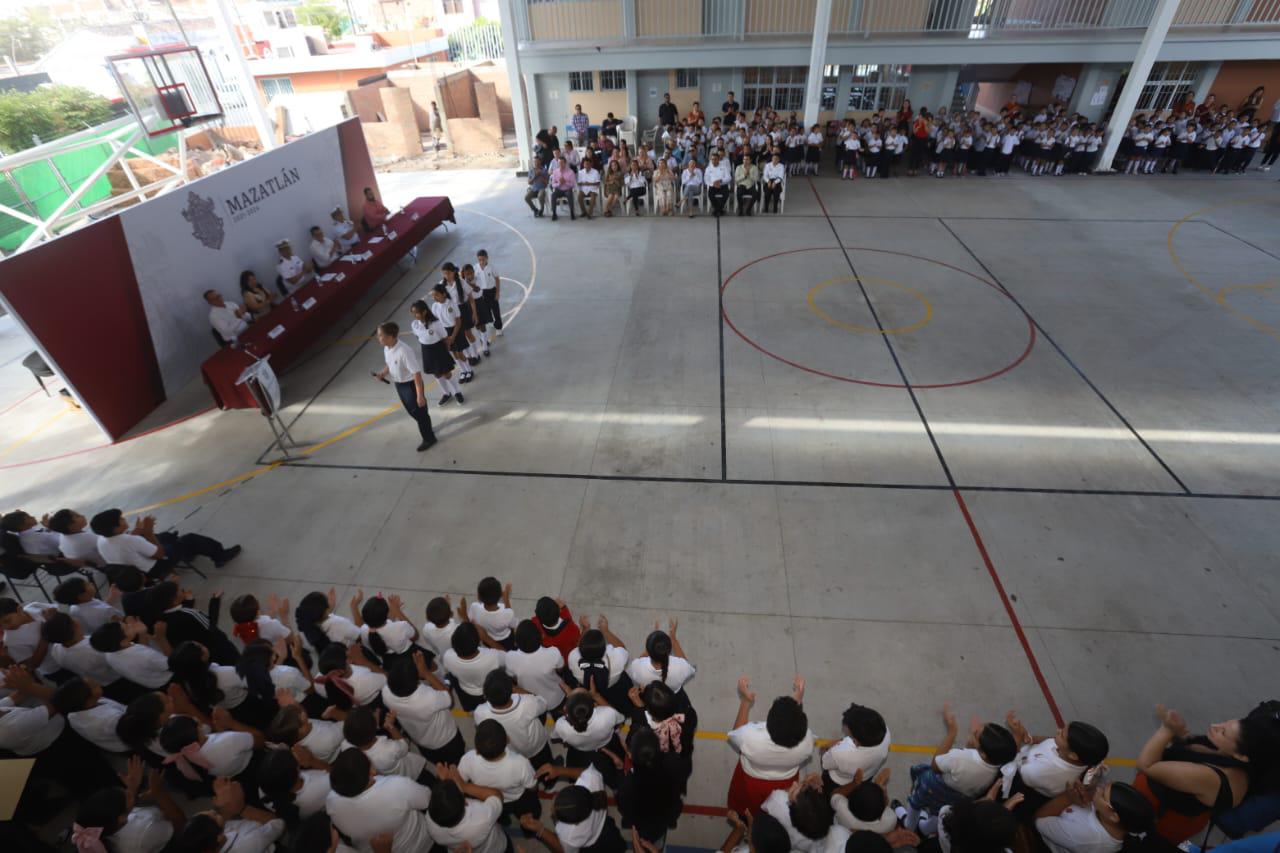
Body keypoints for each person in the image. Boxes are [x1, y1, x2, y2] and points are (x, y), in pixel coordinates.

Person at [1133, 702, 1280, 843]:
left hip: (1160, 817)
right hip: (1179, 812)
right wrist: (1180, 733)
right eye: (1224, 722)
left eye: (1223, 732)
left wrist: (1167, 729)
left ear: (1241, 756)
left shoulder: (1212, 777)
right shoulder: (1240, 760)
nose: (1214, 726)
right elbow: (1194, 750)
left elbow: (1146, 765)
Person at [903, 702, 1018, 832]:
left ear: (984, 754)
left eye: (976, 735)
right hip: (960, 797)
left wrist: (952, 732)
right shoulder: (1000, 762)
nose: (973, 731)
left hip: (935, 787)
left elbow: (935, 766)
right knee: (942, 814)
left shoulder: (959, 758)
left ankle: (909, 826)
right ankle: (924, 829)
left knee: (915, 802)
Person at [726, 675, 815, 815]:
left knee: (747, 811)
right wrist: (798, 698)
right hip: (786, 783)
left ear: (768, 722)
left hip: (750, 782)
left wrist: (745, 701)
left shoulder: (751, 737)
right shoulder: (807, 743)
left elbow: (736, 733)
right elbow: (792, 725)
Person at [326, 748, 434, 853]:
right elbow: (427, 799)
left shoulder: (331, 802)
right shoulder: (398, 786)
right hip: (422, 842)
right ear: (372, 770)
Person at [91, 508, 240, 579]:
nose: (125, 520)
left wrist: (139, 530)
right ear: (116, 528)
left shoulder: (101, 539)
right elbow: (160, 554)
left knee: (164, 537)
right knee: (190, 538)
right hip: (155, 567)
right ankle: (220, 556)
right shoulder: (131, 540)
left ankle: (182, 547)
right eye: (121, 520)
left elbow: (127, 542)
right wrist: (148, 532)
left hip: (135, 570)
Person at [1034, 780, 1154, 853]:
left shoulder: (1084, 837)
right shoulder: (1119, 823)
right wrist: (1089, 795)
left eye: (1102, 794)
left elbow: (1039, 819)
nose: (1098, 789)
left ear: (1113, 816)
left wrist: (1067, 798)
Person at [372, 321, 437, 452]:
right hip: (399, 385)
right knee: (414, 412)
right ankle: (427, 427)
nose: (378, 338)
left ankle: (429, 438)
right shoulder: (387, 348)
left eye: (380, 335)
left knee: (419, 413)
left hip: (410, 385)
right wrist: (382, 374)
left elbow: (416, 374)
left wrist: (419, 395)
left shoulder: (404, 351)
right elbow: (390, 364)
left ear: (390, 336)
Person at [410, 299, 465, 406]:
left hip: (438, 348)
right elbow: (417, 336)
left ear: (424, 312)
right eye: (413, 313)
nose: (415, 316)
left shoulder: (436, 323)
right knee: (436, 373)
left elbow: (445, 338)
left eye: (416, 313)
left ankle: (457, 392)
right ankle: (446, 393)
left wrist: (447, 350)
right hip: (426, 350)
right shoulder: (414, 325)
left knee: (446, 373)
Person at [475, 249, 503, 339]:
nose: (482, 261)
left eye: (483, 259)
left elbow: (497, 279)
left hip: (492, 291)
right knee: (486, 310)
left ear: (487, 258)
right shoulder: (475, 268)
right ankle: (491, 322)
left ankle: (498, 327)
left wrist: (497, 292)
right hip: (482, 292)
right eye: (480, 260)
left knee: (496, 310)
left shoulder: (492, 267)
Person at [550, 155, 577, 222]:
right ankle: (554, 213)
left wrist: (565, 182)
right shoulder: (555, 172)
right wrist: (559, 183)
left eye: (562, 163)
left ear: (565, 163)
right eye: (559, 163)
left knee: (569, 194)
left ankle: (572, 212)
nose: (560, 164)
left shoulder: (570, 172)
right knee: (553, 195)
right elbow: (553, 184)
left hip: (567, 189)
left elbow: (573, 184)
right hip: (559, 189)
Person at [705, 150, 732, 216]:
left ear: (718, 160)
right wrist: (713, 184)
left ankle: (717, 210)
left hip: (722, 185)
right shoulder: (708, 168)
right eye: (712, 159)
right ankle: (719, 210)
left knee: (726, 194)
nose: (713, 161)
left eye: (715, 159)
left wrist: (721, 181)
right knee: (710, 194)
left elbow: (729, 177)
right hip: (713, 185)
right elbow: (706, 179)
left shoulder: (724, 167)